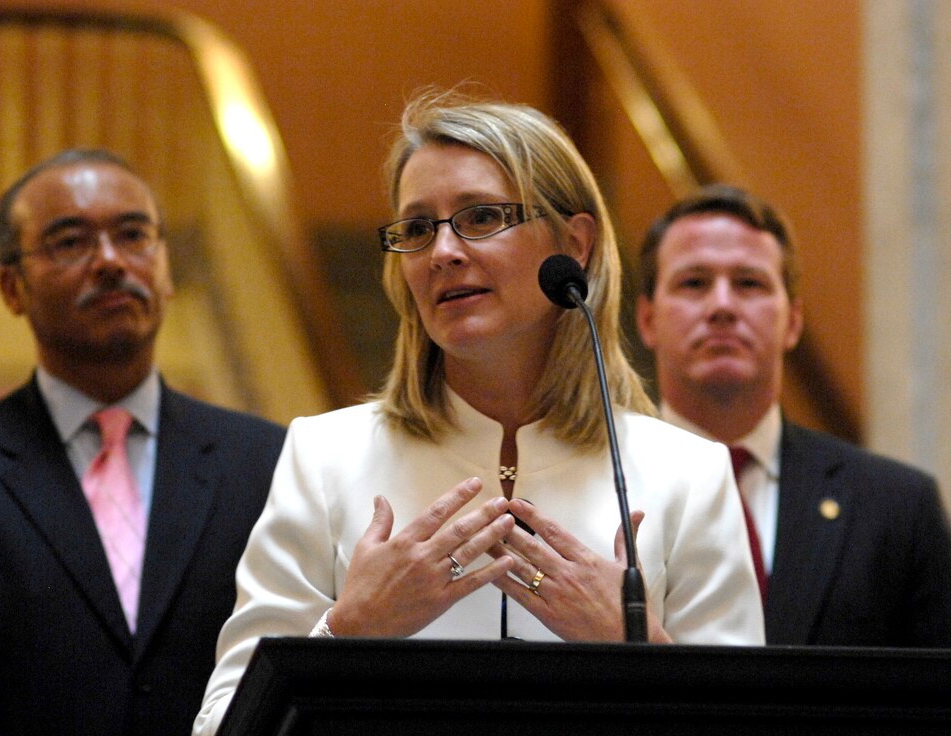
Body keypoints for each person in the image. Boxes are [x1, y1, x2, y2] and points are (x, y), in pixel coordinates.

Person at [193, 92, 764, 734]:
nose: (443, 251)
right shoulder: (324, 457)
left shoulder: (689, 473)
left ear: (574, 245)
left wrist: (636, 649)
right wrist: (348, 631)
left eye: (482, 216)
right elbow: (220, 726)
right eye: (417, 229)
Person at [0, 149, 287, 735]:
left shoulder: (270, 462)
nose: (110, 261)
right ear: (12, 288)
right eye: (69, 242)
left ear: (166, 270)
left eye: (133, 235)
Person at [635, 183, 951, 646]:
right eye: (694, 283)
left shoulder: (898, 508)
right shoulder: (596, 482)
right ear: (647, 320)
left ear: (794, 321)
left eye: (749, 283)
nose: (722, 305)